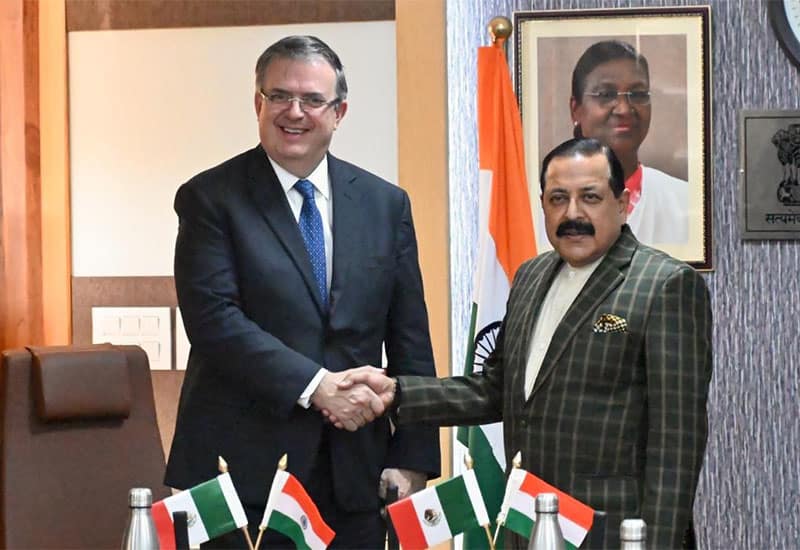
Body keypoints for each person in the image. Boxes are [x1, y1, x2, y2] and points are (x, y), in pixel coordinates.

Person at [338, 138, 712, 548]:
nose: (573, 214)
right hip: (530, 525)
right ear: (543, 205)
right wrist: (396, 393)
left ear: (622, 204)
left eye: (590, 197)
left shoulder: (666, 285)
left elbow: (676, 443)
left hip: (612, 534)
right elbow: (497, 390)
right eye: (558, 198)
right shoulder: (531, 276)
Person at [164, 35, 440, 548]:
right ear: (258, 104)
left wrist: (414, 456)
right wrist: (319, 386)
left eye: (313, 100)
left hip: (357, 473)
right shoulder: (209, 199)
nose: (295, 112)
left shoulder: (385, 204)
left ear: (339, 112)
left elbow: (409, 337)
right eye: (279, 96)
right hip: (242, 475)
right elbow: (214, 323)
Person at [537, 40, 689, 251]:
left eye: (637, 95)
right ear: (576, 109)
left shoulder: (684, 201)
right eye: (606, 95)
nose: (624, 109)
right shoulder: (532, 212)